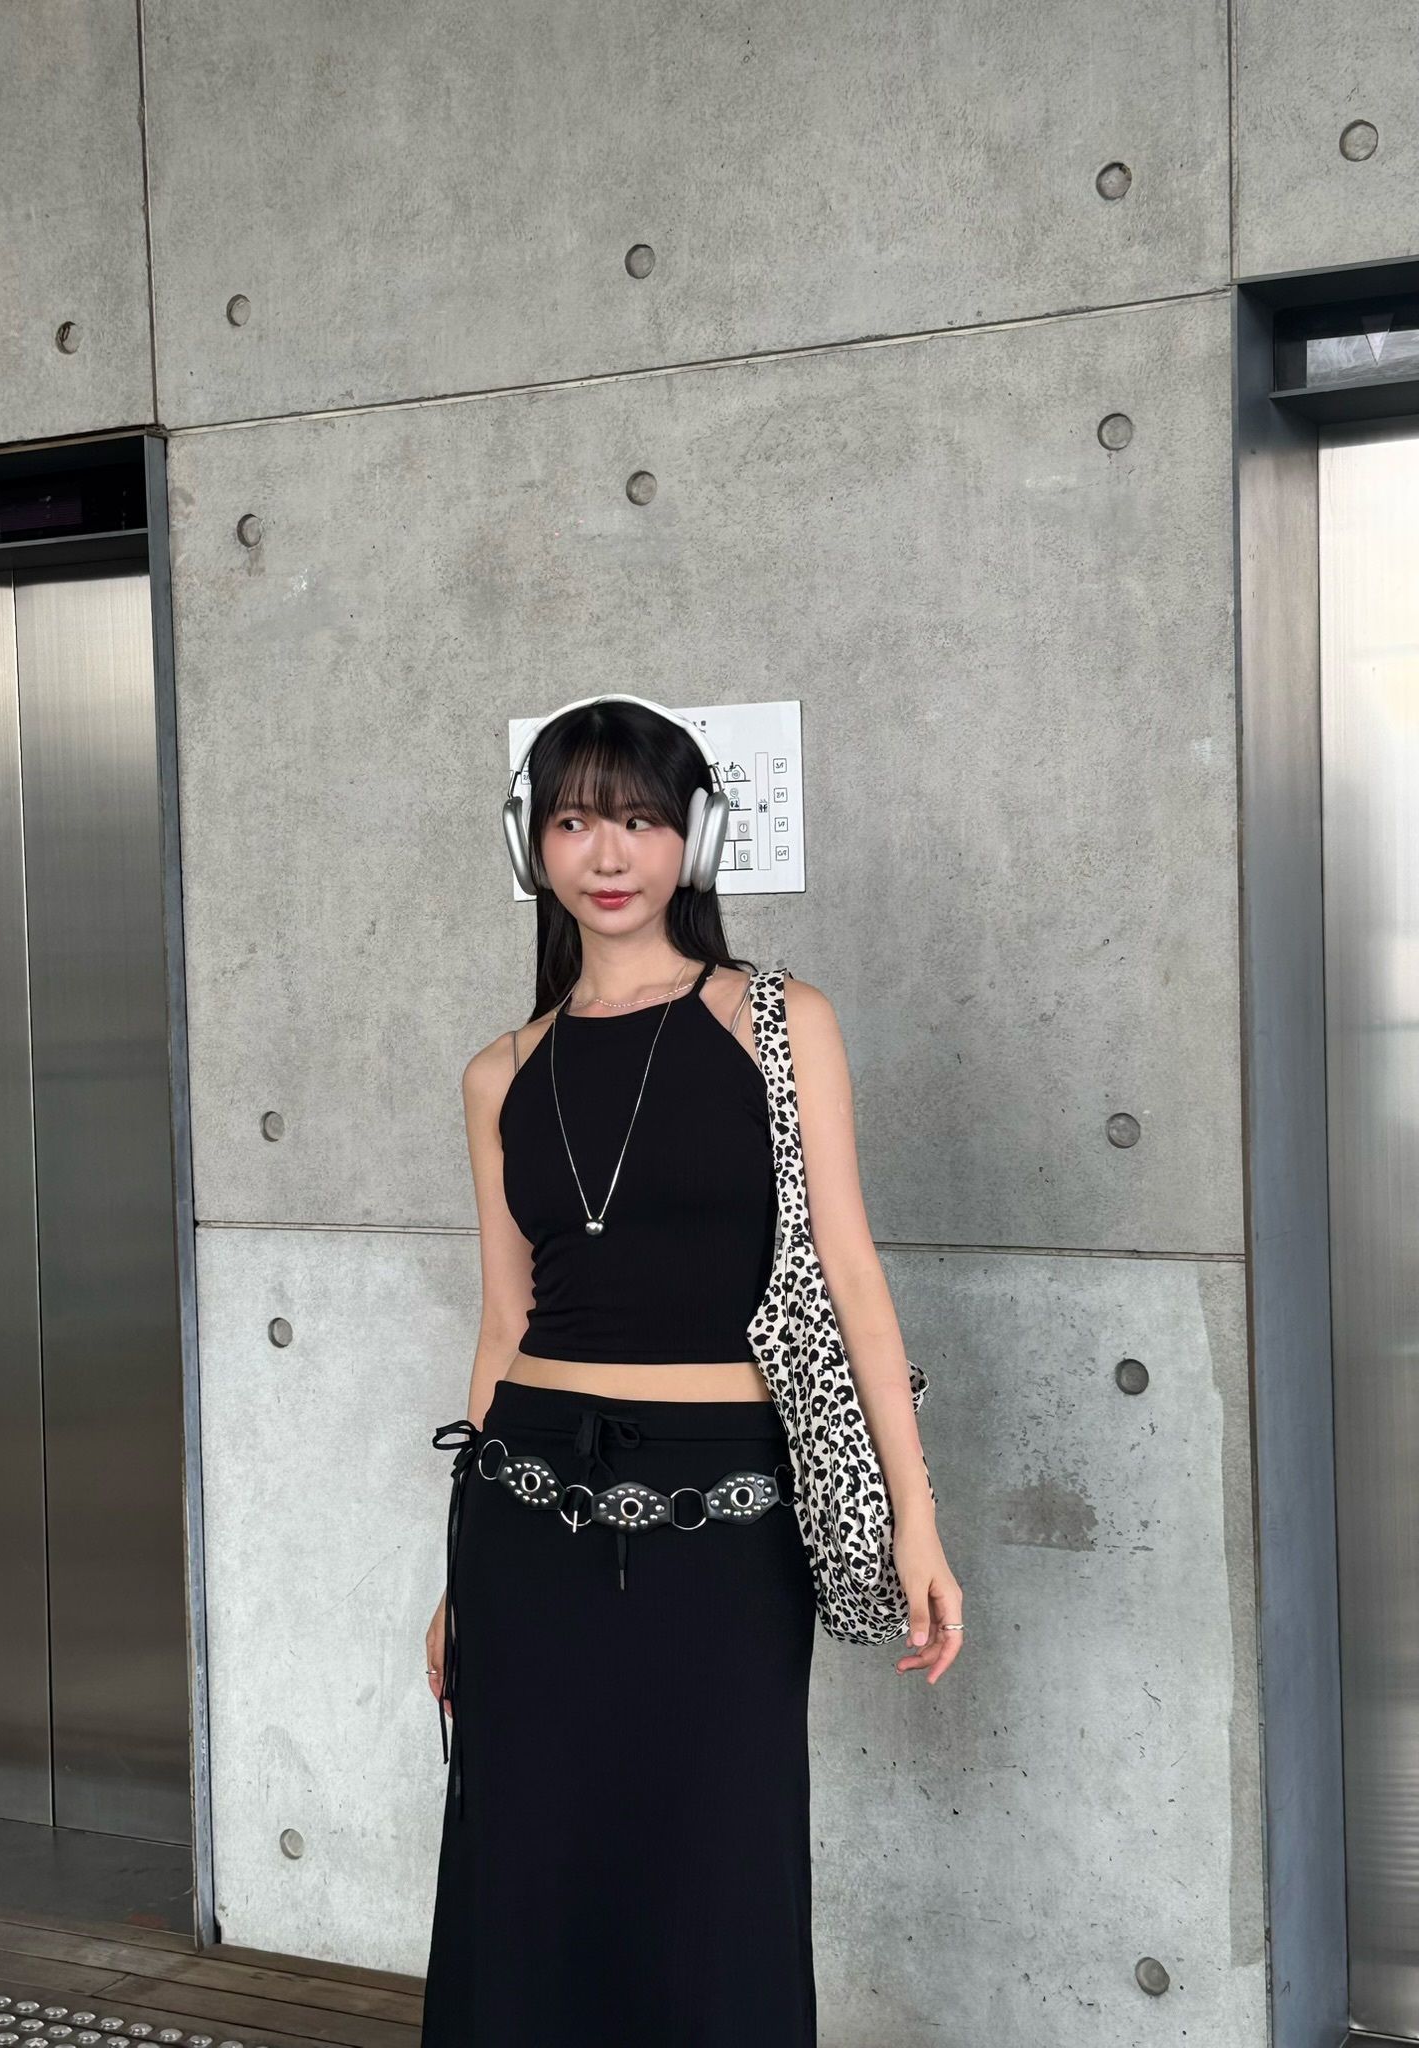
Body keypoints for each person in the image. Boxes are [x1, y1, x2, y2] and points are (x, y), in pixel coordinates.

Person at [420, 695, 962, 2048]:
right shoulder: (499, 1073)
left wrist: (915, 1513)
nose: (608, 854)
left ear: (694, 838)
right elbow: (503, 1327)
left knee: (721, 1867)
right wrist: (454, 1584)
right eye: (573, 821)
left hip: (729, 1516)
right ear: (532, 846)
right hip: (524, 1518)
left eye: (641, 820)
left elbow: (853, 1277)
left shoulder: (777, 1023)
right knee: (531, 1862)